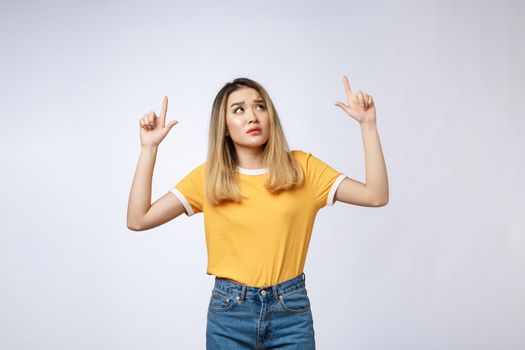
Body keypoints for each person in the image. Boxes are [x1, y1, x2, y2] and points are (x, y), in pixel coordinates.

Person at [127, 76, 389, 349]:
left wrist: (368, 125)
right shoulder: (209, 178)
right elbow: (138, 220)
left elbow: (376, 196)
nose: (252, 116)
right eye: (239, 109)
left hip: (291, 312)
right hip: (230, 314)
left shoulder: (303, 168)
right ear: (224, 126)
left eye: (260, 107)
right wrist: (149, 149)